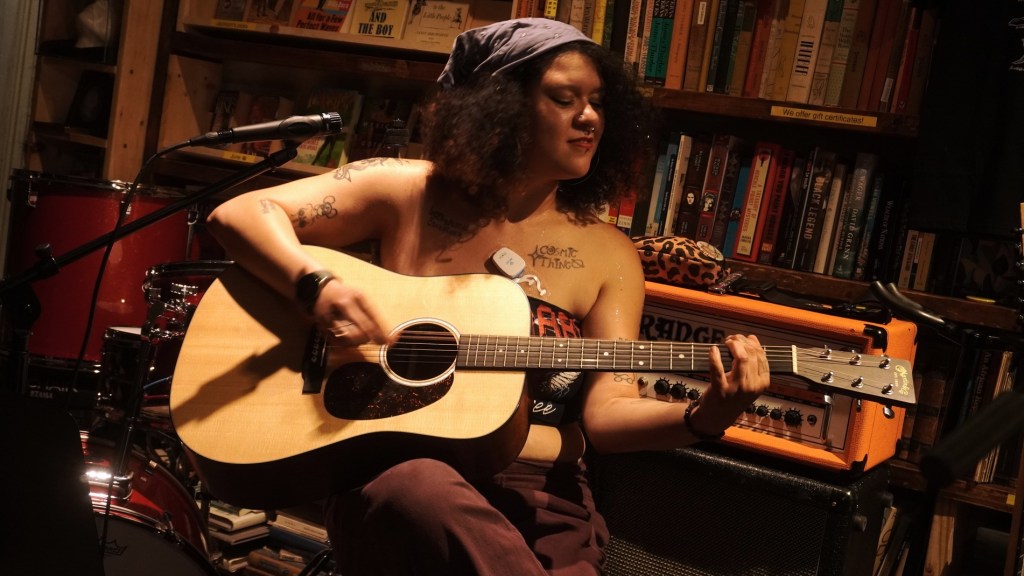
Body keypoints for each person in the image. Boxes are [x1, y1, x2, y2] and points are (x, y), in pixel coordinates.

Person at [205, 17, 771, 576]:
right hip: (398, 480)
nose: (590, 117)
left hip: (542, 501)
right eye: (564, 99)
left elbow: (607, 413)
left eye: (598, 102)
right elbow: (241, 214)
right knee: (418, 486)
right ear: (501, 106)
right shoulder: (407, 190)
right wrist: (314, 284)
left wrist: (705, 416)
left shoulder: (608, 253)